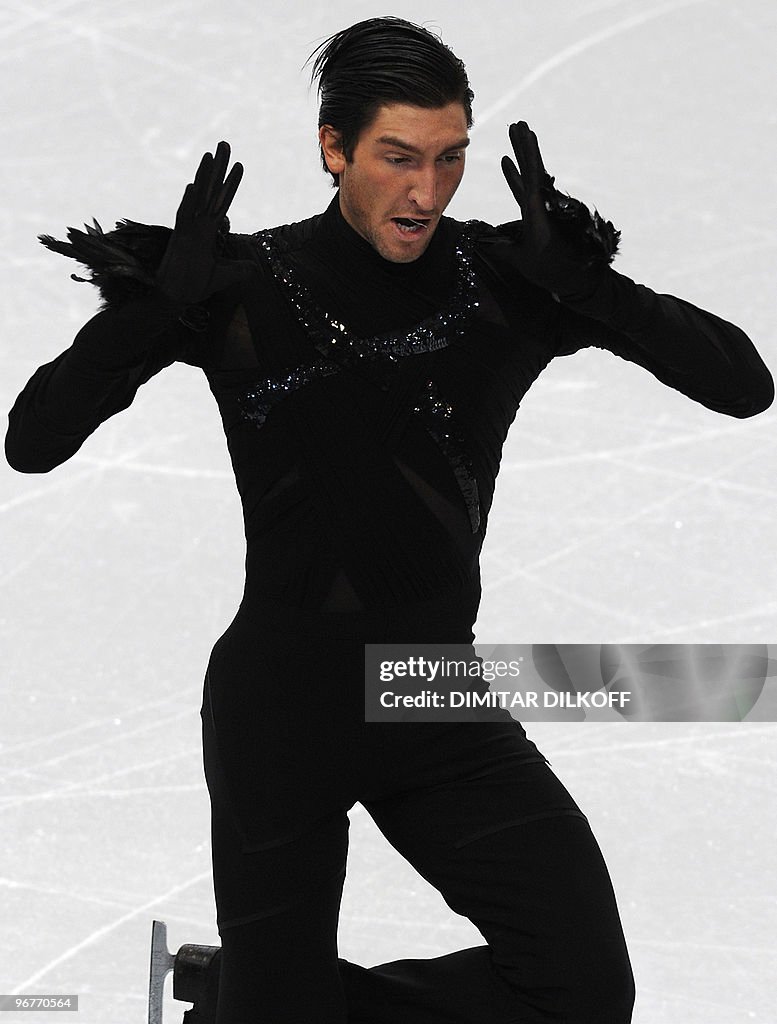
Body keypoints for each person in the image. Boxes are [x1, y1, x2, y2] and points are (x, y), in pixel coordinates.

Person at [5, 15, 773, 1024]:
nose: (426, 191)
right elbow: (35, 436)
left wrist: (596, 288)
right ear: (333, 148)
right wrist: (151, 313)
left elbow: (744, 384)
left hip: (428, 693)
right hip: (282, 702)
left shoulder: (508, 281)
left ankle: (240, 998)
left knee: (579, 988)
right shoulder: (240, 290)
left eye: (450, 158)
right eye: (398, 158)